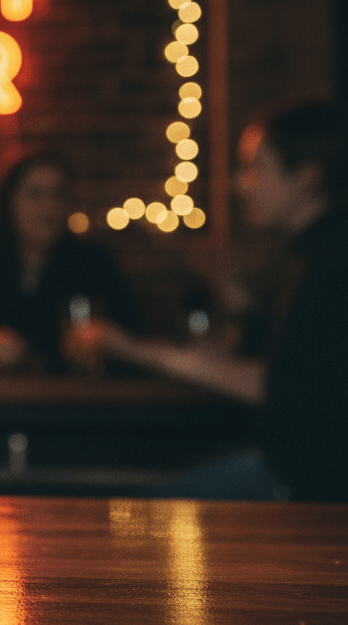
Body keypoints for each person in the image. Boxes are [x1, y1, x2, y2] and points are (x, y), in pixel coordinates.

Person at [79, 101, 348, 501]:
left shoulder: (326, 263)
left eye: (255, 168)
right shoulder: (314, 251)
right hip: (295, 473)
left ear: (306, 177)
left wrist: (131, 349)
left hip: (303, 486)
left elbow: (277, 388)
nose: (241, 184)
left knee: (135, 522)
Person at [0, 146, 141, 372]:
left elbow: (136, 344)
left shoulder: (95, 263)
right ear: (7, 202)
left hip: (78, 402)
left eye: (58, 194)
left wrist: (105, 350)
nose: (49, 207)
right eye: (35, 194)